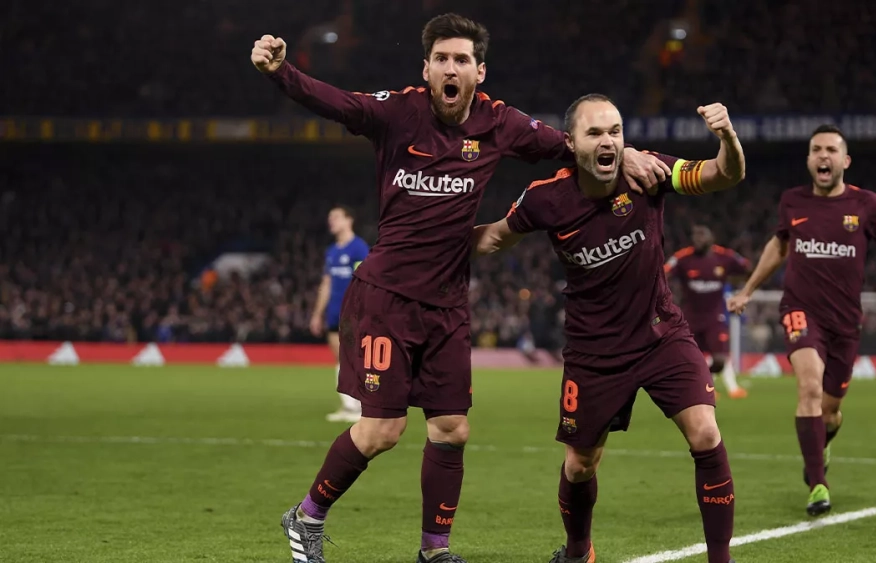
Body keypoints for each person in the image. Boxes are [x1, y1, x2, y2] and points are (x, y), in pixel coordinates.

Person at [251, 13, 671, 563]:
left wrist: (630, 153)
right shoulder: (398, 113)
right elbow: (340, 103)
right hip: (386, 299)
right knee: (382, 432)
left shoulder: (500, 123)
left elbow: (573, 146)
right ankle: (305, 516)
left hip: (448, 304)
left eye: (462, 60)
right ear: (426, 69)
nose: (452, 68)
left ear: (479, 71)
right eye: (442, 59)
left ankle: (434, 550)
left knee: (452, 428)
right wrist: (283, 71)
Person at [472, 93, 745, 563]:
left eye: (615, 131)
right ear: (571, 143)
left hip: (661, 335)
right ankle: (579, 552)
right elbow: (495, 236)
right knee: (580, 465)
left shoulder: (649, 173)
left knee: (705, 433)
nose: (608, 141)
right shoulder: (545, 199)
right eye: (595, 133)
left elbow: (725, 174)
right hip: (593, 352)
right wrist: (423, 242)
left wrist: (726, 136)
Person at [726, 124, 876, 516]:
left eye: (831, 150)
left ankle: (823, 442)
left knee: (830, 410)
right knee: (809, 389)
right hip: (800, 310)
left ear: (844, 160)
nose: (823, 156)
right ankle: (818, 483)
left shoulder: (868, 205)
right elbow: (778, 246)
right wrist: (748, 289)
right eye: (816, 149)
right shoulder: (793, 202)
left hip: (845, 323)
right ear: (808, 159)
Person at [665, 225, 750, 399]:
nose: (698, 239)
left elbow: (748, 268)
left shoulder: (724, 256)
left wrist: (742, 289)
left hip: (714, 317)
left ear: (712, 237)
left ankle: (706, 382)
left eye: (702, 236)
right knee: (686, 358)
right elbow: (662, 273)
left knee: (719, 359)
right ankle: (700, 386)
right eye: (695, 236)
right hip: (689, 318)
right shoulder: (683, 258)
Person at [309, 205, 369, 423]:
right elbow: (326, 283)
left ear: (348, 220)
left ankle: (362, 404)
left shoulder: (359, 248)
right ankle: (349, 405)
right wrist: (317, 313)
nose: (331, 221)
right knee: (340, 357)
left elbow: (365, 280)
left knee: (354, 356)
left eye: (335, 217)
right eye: (329, 217)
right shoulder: (332, 251)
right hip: (334, 312)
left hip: (353, 311)